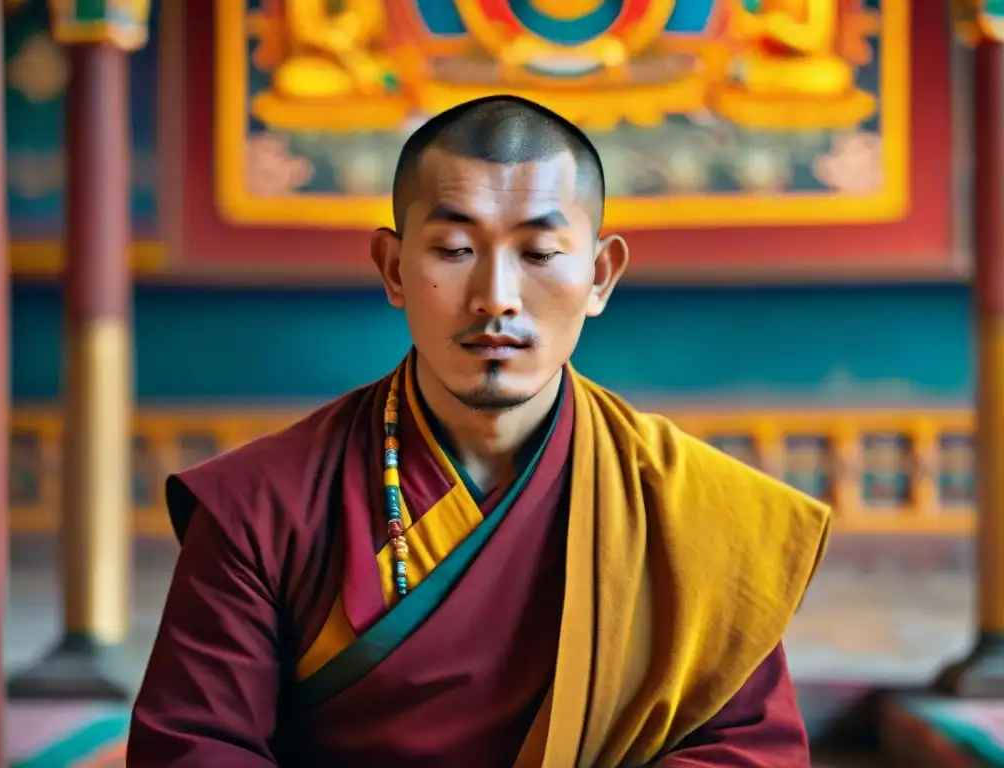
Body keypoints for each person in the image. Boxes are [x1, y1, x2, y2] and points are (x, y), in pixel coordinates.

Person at [128, 95, 830, 767]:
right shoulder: (262, 504)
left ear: (600, 275)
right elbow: (193, 746)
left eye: (540, 253)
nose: (496, 296)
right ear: (393, 267)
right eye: (456, 248)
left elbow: (746, 749)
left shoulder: (686, 510)